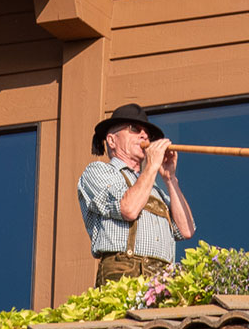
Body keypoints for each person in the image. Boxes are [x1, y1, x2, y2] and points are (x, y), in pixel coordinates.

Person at [77, 103, 196, 285]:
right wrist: (152, 166)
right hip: (124, 276)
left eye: (147, 132)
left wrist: (169, 177)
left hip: (162, 280)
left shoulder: (153, 187)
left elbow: (186, 229)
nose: (144, 135)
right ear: (111, 140)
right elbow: (129, 209)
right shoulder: (99, 171)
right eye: (134, 129)